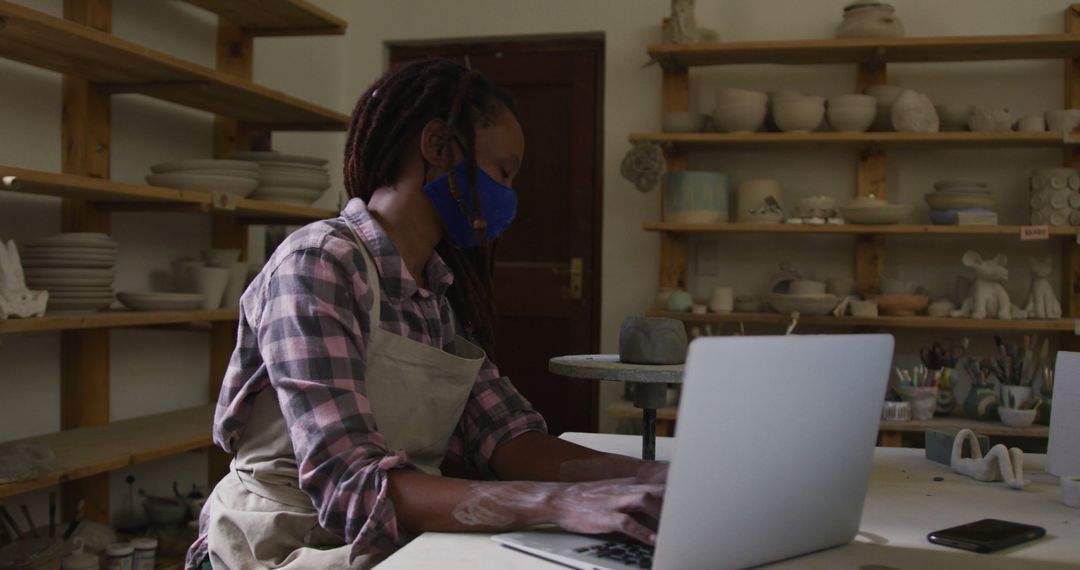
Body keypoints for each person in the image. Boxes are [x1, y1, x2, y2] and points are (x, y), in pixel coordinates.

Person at [185, 58, 665, 569]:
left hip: (385, 544)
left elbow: (506, 436)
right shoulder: (319, 263)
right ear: (437, 145)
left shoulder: (433, 294)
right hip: (284, 545)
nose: (510, 195)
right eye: (503, 171)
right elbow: (347, 481)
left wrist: (647, 477)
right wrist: (558, 503)